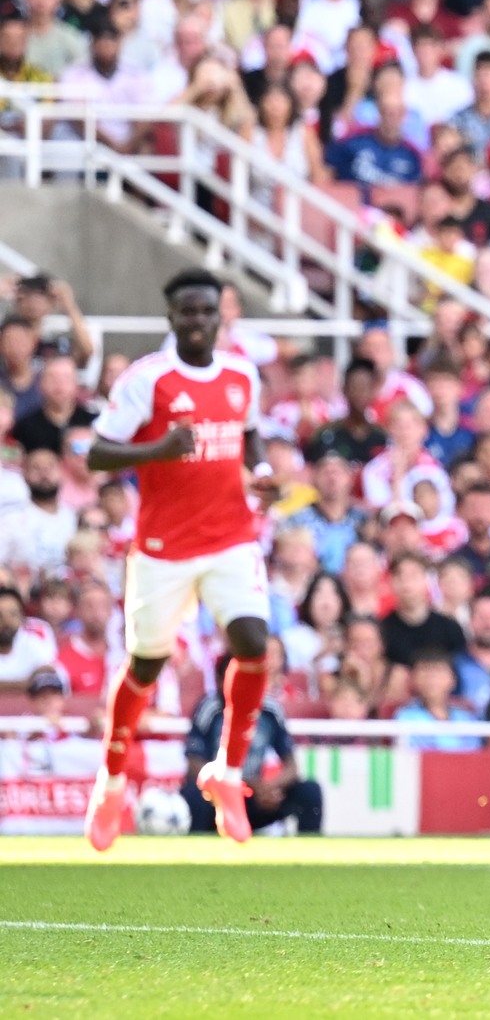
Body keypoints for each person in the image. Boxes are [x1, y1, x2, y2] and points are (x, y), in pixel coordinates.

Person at [82, 269, 279, 851]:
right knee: (146, 666)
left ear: (220, 316)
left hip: (231, 537)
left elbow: (249, 433)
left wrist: (261, 471)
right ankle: (111, 782)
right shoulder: (149, 380)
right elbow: (96, 453)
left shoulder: (242, 374)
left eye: (206, 311)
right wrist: (159, 449)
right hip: (163, 548)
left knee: (254, 644)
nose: (197, 321)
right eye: (187, 312)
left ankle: (228, 772)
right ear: (171, 317)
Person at [182, 653, 323, 835]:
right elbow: (194, 766)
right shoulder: (209, 709)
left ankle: (309, 846)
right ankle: (197, 845)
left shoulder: (270, 710)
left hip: (256, 797)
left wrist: (270, 787)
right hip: (218, 797)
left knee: (309, 791)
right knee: (194, 794)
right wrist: (247, 784)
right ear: (219, 681)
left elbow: (292, 766)